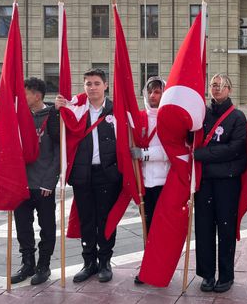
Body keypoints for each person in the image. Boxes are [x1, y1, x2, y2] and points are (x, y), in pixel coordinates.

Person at [53, 68, 122, 283]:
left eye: (96, 83)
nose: (92, 88)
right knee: (87, 221)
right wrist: (58, 112)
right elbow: (58, 137)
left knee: (105, 220)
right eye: (88, 84)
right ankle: (88, 262)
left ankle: (105, 262)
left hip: (107, 174)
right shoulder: (75, 109)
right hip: (82, 174)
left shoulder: (116, 110)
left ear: (105, 86)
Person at [193, 74, 247, 293]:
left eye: (221, 85)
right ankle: (207, 274)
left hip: (227, 182)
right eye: (214, 85)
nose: (216, 89)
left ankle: (226, 275)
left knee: (225, 229)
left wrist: (203, 155)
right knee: (204, 229)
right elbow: (192, 140)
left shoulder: (237, 117)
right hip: (204, 181)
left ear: (229, 90)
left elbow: (235, 148)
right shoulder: (201, 115)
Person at [11, 78, 60, 285]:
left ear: (37, 95)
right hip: (21, 184)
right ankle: (27, 263)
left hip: (43, 185)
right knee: (23, 227)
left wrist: (50, 182)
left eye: (25, 94)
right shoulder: (18, 117)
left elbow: (59, 153)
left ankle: (44, 265)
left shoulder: (53, 116)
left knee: (47, 227)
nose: (21, 99)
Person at [130, 77, 170, 232]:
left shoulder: (169, 118)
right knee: (147, 228)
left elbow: (170, 151)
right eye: (150, 91)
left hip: (164, 182)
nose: (152, 95)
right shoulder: (138, 118)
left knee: (162, 228)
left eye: (157, 92)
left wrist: (144, 154)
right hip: (144, 183)